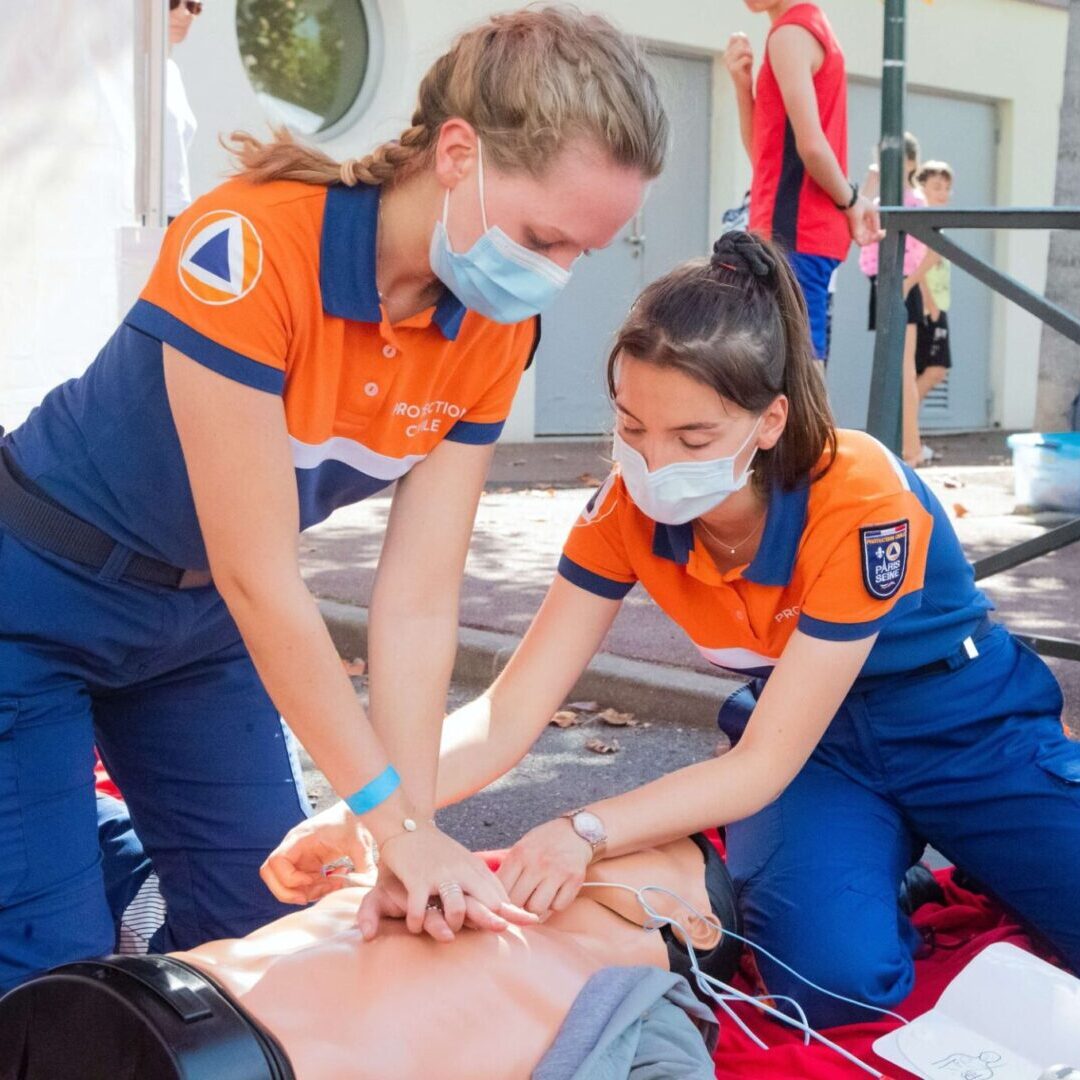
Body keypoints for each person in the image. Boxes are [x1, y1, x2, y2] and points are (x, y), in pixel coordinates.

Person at [0, 7, 668, 991]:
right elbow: (262, 576)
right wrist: (389, 824)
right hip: (37, 604)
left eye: (582, 254)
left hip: (197, 630)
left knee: (272, 933)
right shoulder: (250, 246)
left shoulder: (491, 330)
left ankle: (97, 851)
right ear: (456, 152)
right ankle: (75, 845)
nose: (552, 279)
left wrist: (406, 833)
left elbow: (417, 601)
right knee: (49, 975)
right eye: (541, 238)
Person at [268, 230, 1080, 1030]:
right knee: (832, 985)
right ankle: (890, 872)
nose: (654, 463)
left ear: (770, 422)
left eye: (693, 438)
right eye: (631, 429)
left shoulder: (858, 493)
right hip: (823, 752)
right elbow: (509, 712)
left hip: (964, 726)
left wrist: (583, 830)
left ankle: (948, 848)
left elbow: (761, 763)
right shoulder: (623, 511)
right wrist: (374, 811)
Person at [1, 836, 734, 1080]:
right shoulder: (426, 881)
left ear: (697, 924)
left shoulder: (647, 1013)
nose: (566, 846)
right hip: (102, 1006)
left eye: (639, 847)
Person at [723, 0, 880, 367]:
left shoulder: (790, 34)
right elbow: (767, 155)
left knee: (795, 371)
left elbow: (811, 146)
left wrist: (853, 201)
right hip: (800, 233)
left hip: (792, 232)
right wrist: (742, 86)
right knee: (794, 365)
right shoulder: (806, 27)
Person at [860, 132, 929, 466]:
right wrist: (869, 186)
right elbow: (859, 227)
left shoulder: (914, 199)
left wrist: (907, 285)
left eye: (899, 158)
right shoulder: (878, 198)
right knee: (889, 366)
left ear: (912, 162)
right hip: (881, 280)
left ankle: (911, 449)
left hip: (903, 283)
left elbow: (926, 251)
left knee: (904, 368)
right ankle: (899, 448)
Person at [913, 161, 955, 405]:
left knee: (927, 371)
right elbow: (917, 267)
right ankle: (903, 423)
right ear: (922, 188)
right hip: (929, 308)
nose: (943, 193)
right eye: (937, 187)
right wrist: (930, 303)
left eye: (947, 188)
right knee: (935, 370)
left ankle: (910, 435)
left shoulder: (936, 226)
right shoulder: (922, 226)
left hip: (937, 305)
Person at [165, 0, 202, 223]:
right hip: (136, 214)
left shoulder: (171, 71)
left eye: (193, 6)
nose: (185, 14)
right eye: (172, 3)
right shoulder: (127, 68)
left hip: (175, 213)